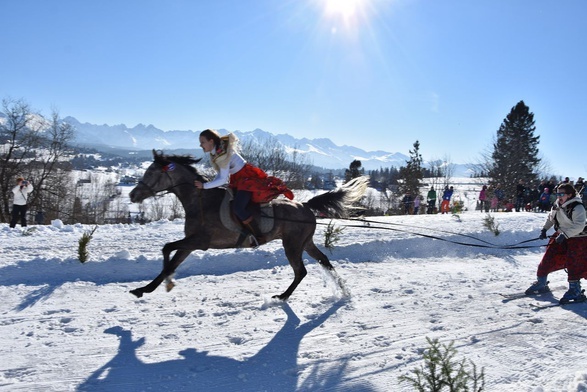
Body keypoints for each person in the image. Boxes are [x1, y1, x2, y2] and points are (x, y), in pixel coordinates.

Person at [194, 129, 294, 245]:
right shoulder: (217, 151)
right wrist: (207, 185)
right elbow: (221, 175)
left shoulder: (223, 154)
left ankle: (258, 236)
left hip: (246, 179)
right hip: (238, 178)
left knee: (238, 208)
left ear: (211, 141)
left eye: (202, 142)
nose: (200, 145)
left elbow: (222, 180)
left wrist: (205, 186)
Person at [525, 183, 587, 303]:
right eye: (557, 193)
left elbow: (579, 225)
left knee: (574, 263)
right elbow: (551, 218)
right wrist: (544, 229)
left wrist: (565, 235)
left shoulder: (577, 207)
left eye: (562, 194)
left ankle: (575, 290)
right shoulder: (557, 205)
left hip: (578, 238)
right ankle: (541, 282)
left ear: (570, 194)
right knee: (548, 257)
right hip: (561, 236)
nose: (559, 196)